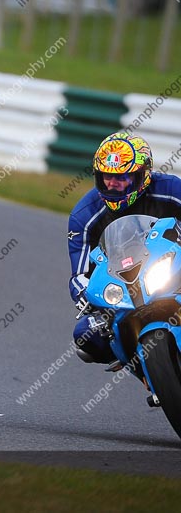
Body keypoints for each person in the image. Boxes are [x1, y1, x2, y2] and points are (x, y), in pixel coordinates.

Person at [68, 132, 181, 364]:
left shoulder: (171, 189)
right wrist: (84, 292)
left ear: (143, 174)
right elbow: (79, 274)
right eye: (106, 177)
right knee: (86, 337)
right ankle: (149, 376)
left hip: (172, 270)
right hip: (123, 288)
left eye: (122, 177)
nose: (112, 183)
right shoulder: (84, 216)